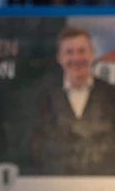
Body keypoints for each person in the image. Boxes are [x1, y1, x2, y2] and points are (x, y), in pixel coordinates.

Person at [30, 27, 115, 175]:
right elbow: (36, 149)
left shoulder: (112, 95)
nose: (76, 58)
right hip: (56, 185)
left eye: (81, 51)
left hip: (104, 185)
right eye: (69, 52)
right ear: (59, 58)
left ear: (91, 54)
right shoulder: (43, 98)